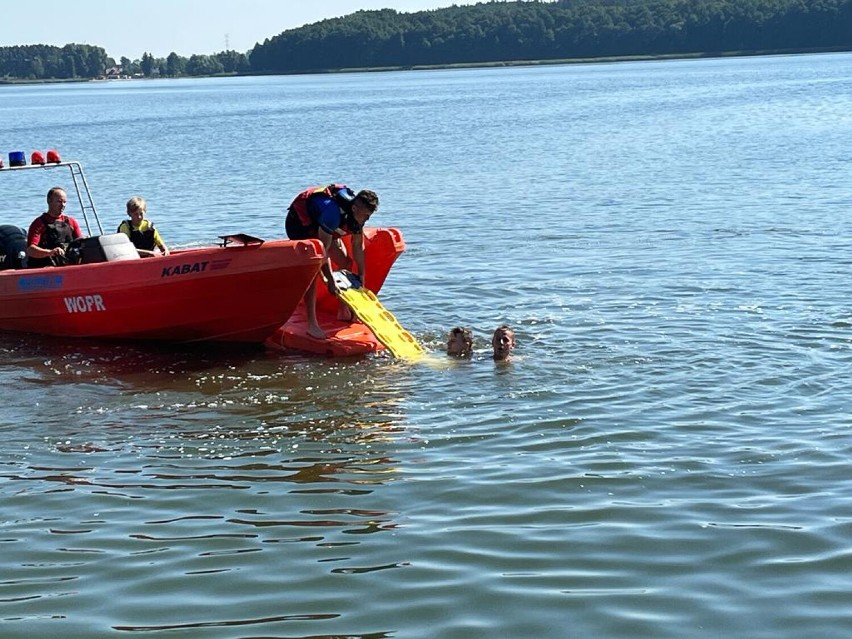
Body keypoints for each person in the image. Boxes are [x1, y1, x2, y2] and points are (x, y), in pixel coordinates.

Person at [285, 183, 379, 339]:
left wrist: (362, 275)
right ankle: (312, 325)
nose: (366, 219)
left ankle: (342, 310)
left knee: (346, 264)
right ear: (355, 209)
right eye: (365, 216)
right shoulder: (332, 214)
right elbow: (323, 252)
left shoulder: (357, 216)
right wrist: (330, 280)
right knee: (314, 271)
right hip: (300, 226)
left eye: (369, 216)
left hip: (323, 227)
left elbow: (357, 245)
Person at [26, 186, 84, 268]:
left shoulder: (71, 222)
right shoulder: (39, 223)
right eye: (59, 201)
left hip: (66, 266)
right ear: (49, 201)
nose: (63, 205)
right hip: (44, 267)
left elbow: (81, 243)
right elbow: (30, 250)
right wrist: (50, 252)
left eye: (65, 202)